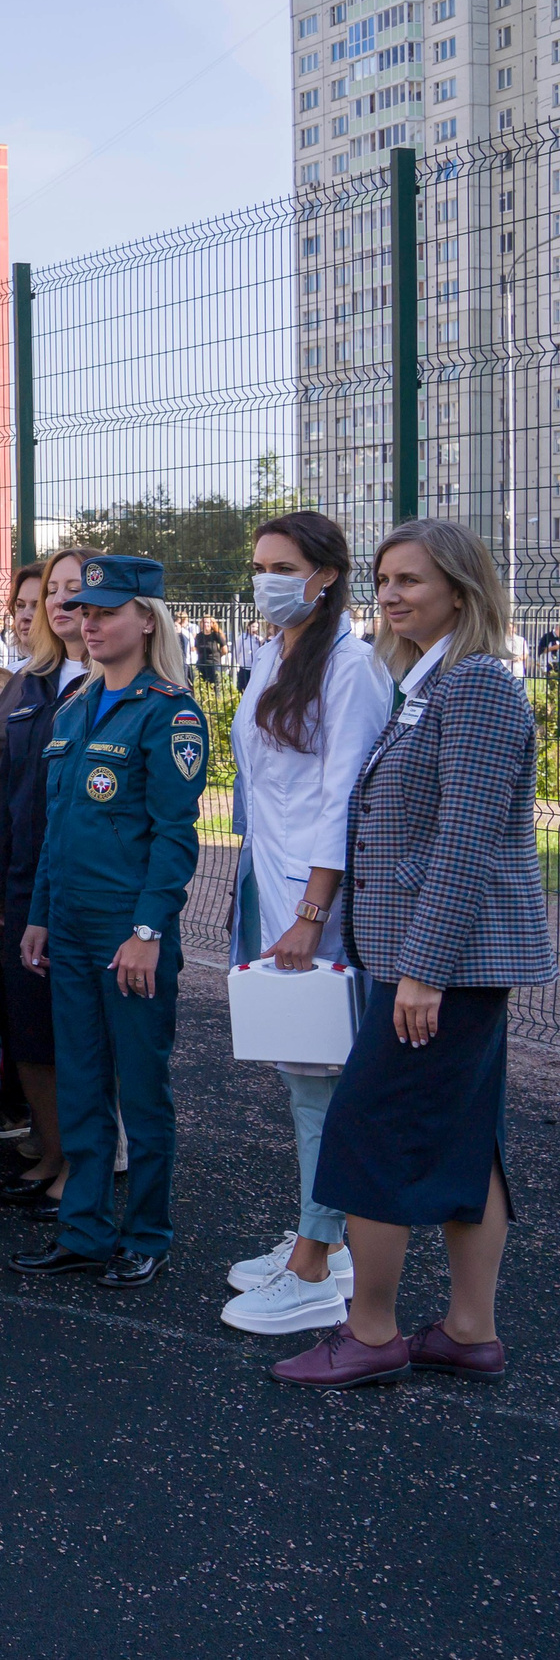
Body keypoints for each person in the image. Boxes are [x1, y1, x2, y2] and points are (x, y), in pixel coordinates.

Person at [274, 519, 556, 1388]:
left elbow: (465, 842)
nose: (391, 596)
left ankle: (371, 1331)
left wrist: (423, 970)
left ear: (461, 592)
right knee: (470, 1143)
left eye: (413, 582)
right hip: (433, 963)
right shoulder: (432, 684)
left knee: (366, 1131)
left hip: (442, 968)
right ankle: (470, 1331)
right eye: (386, 581)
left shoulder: (472, 688)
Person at [219, 511, 392, 1337]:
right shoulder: (270, 654)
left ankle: (317, 1265)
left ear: (326, 576)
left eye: (282, 565)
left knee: (322, 1083)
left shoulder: (352, 667)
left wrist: (311, 911)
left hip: (313, 903)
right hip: (270, 885)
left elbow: (342, 797)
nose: (265, 579)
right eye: (259, 565)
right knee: (299, 1078)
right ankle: (323, 1234)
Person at [14, 554, 206, 1290]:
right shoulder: (73, 708)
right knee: (83, 1083)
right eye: (83, 611)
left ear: (146, 618)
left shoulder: (170, 712)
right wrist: (37, 918)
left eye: (105, 611)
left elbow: (175, 836)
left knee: (141, 1089)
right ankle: (85, 1229)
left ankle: (147, 1232)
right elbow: (55, 831)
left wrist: (149, 931)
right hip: (68, 925)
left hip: (130, 932)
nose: (88, 622)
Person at [0, 551, 86, 1218]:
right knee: (27, 1034)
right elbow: (9, 793)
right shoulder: (34, 680)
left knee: (69, 1035)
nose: (60, 602)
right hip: (18, 880)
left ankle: (81, 1164)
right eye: (52, 590)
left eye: (78, 590)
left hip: (72, 887)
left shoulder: (112, 683)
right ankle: (50, 1151)